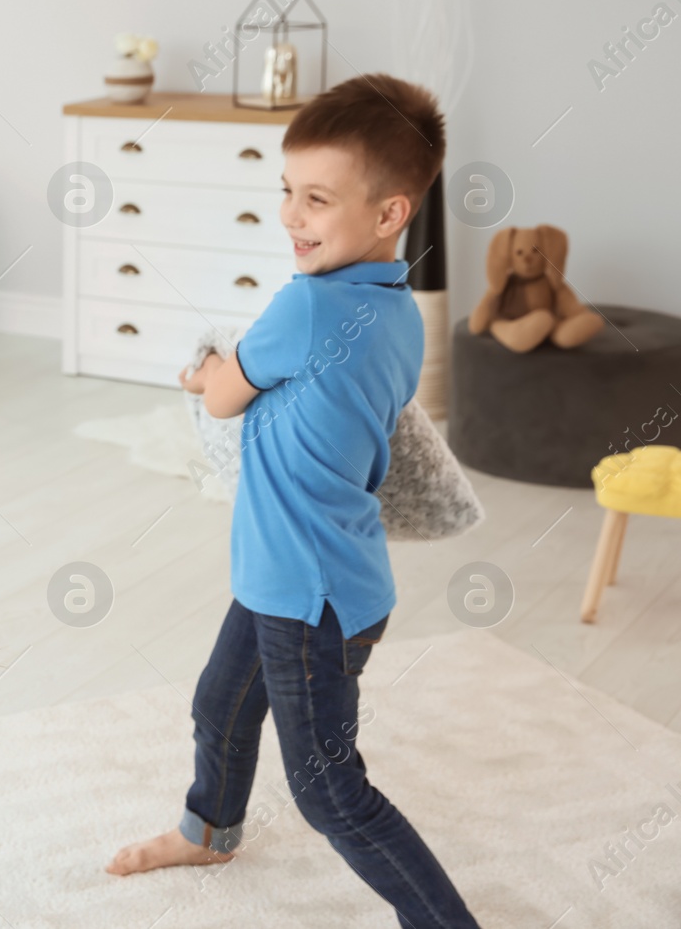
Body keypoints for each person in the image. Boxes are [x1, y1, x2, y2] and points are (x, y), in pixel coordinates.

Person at [108, 75, 482, 928]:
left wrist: (206, 370)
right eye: (286, 191)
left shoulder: (306, 306)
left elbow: (223, 397)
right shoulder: (395, 309)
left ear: (390, 213)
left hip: (306, 597)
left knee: (327, 790)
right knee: (221, 702)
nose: (290, 215)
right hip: (315, 576)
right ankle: (210, 827)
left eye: (317, 198)